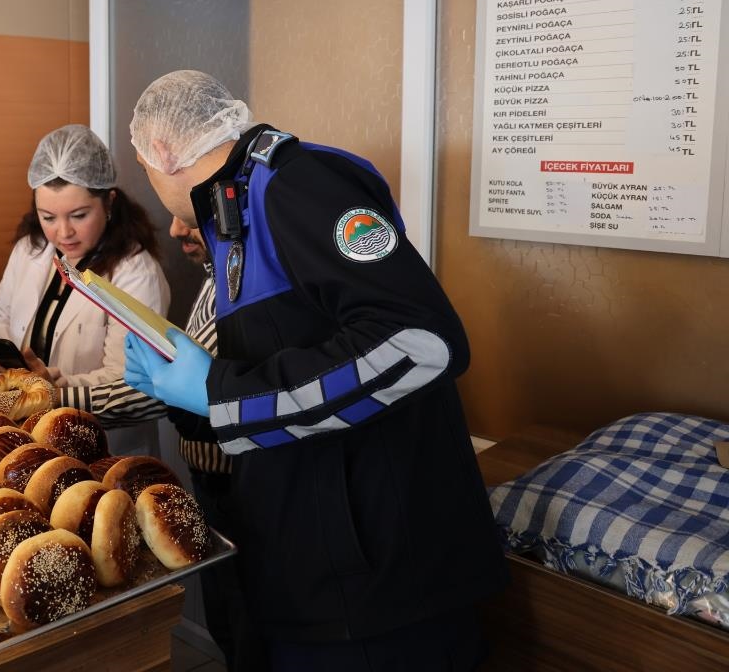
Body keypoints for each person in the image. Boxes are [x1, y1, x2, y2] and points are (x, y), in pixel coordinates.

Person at [122, 70, 508, 671]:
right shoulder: (233, 209)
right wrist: (194, 385)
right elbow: (296, 350)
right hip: (306, 555)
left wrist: (220, 391)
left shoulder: (298, 185)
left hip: (380, 577)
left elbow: (421, 341)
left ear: (163, 153)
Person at [25, 214, 248, 666]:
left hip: (234, 480)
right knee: (231, 615)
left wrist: (56, 395)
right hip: (208, 471)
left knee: (242, 619)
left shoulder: (237, 282)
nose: (175, 230)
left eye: (189, 218)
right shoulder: (218, 272)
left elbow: (165, 390)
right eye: (48, 216)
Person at [0, 125, 170, 452]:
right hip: (26, 434)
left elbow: (128, 381)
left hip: (103, 443)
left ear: (109, 203)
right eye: (48, 217)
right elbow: (3, 315)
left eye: (79, 215)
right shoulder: (30, 251)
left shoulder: (135, 274)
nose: (63, 233)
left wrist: (53, 387)